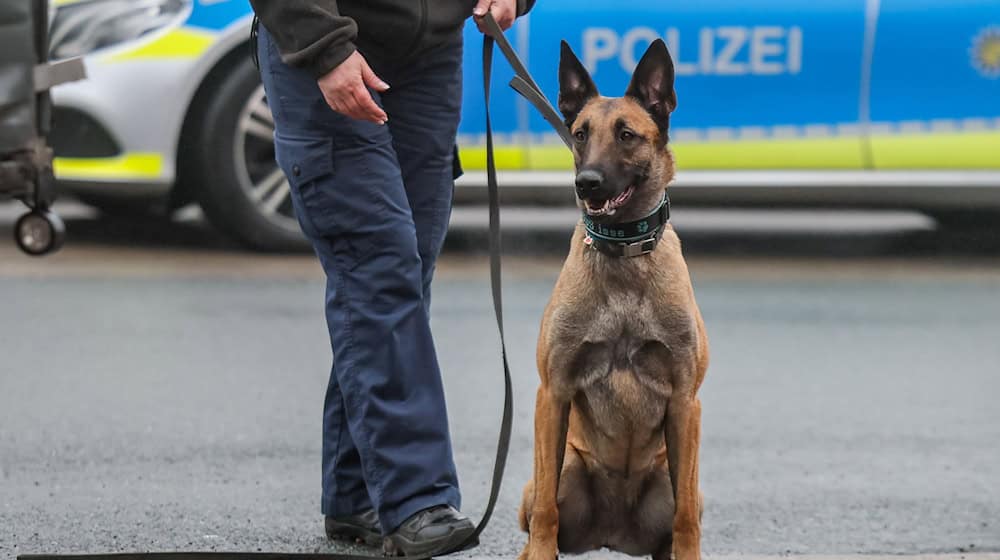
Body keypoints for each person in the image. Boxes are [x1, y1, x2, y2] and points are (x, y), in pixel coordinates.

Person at [248, 0, 535, 555]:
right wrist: (324, 49)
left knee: (406, 274)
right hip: (330, 49)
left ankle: (355, 493)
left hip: (429, 58)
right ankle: (414, 498)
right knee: (378, 267)